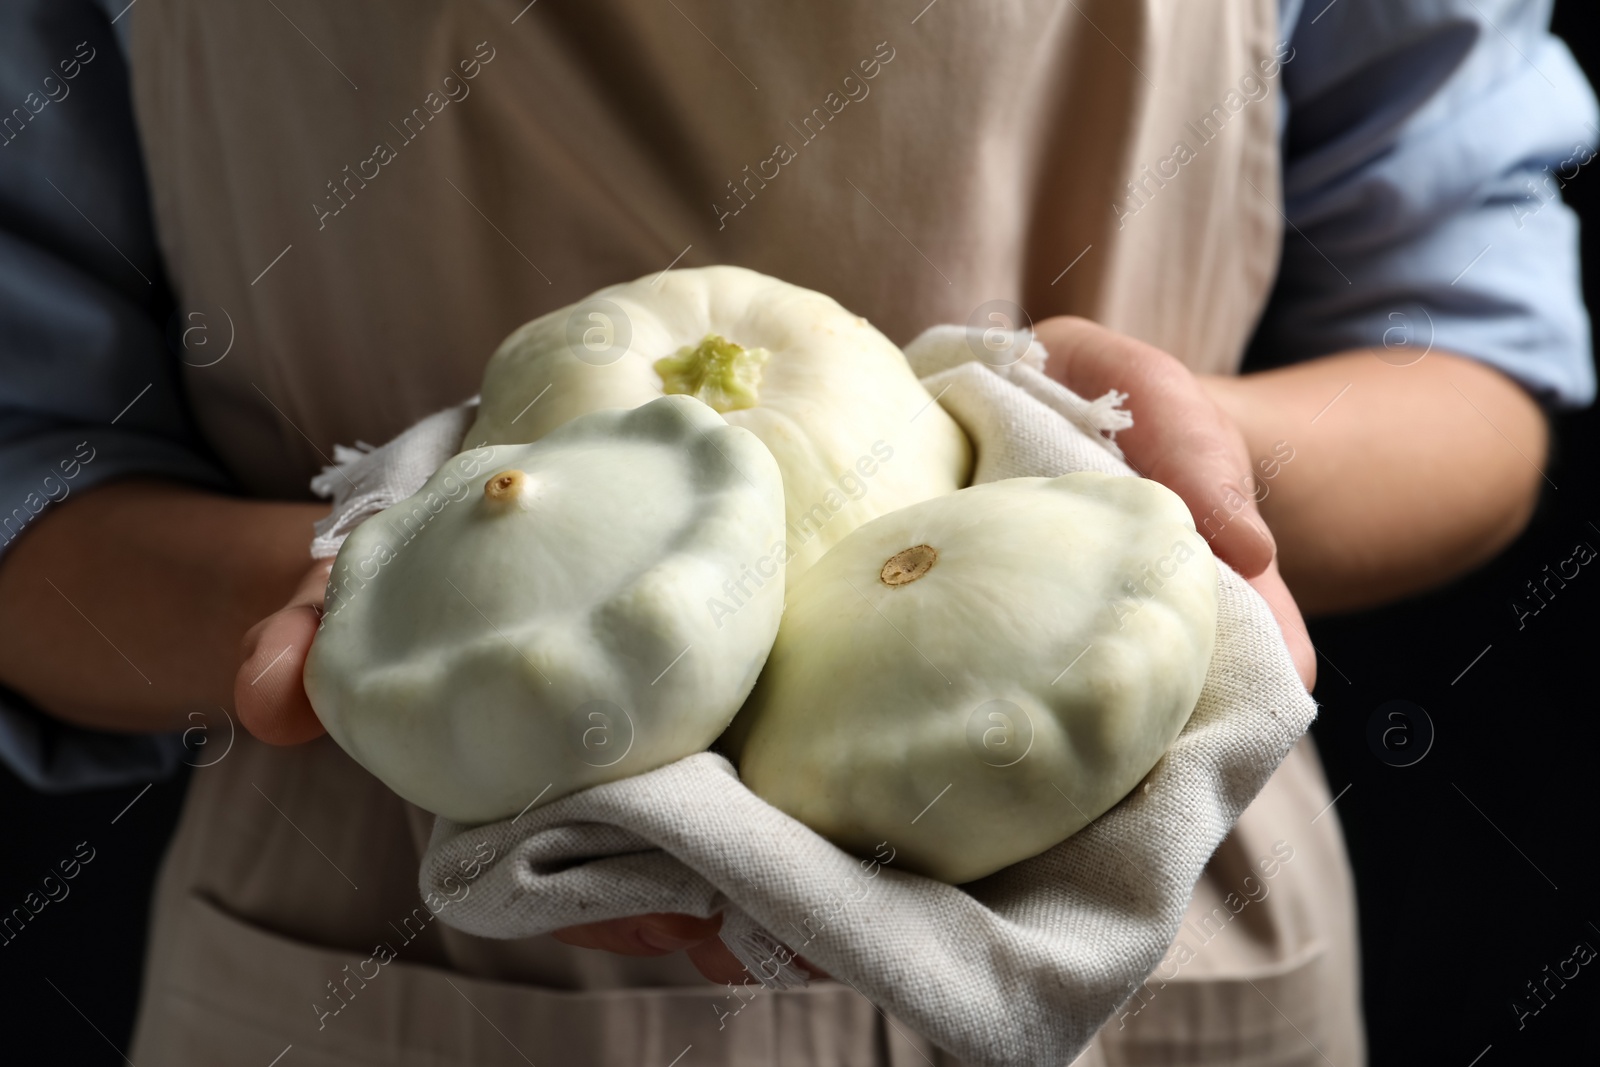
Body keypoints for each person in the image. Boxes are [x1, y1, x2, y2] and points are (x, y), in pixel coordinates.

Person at [0, 0, 1592, 1062]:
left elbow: (1477, 370)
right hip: (373, 945)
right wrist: (381, 618)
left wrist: (1201, 478)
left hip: (1145, 918)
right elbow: (29, 484)